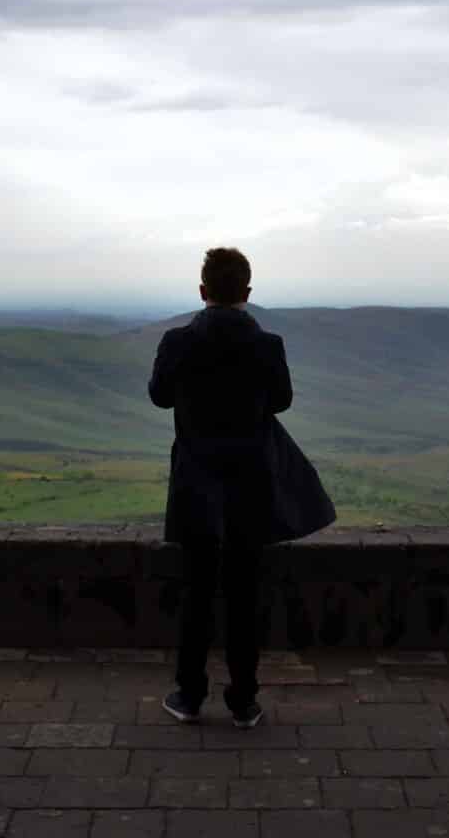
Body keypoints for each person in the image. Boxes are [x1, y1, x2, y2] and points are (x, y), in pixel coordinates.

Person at [147, 246, 294, 728]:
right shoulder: (268, 345)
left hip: (195, 482)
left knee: (197, 591)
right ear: (247, 293)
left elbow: (159, 396)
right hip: (250, 482)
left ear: (203, 290)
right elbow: (282, 401)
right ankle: (243, 701)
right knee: (244, 592)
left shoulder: (177, 341)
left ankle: (189, 695)